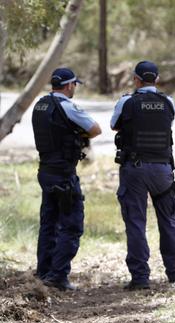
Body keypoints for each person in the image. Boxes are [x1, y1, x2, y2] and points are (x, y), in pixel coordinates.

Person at [110, 60, 175, 290]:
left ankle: (140, 278)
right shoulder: (168, 102)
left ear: (136, 79)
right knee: (168, 221)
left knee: (136, 222)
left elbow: (114, 126)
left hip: (135, 169)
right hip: (163, 169)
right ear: (157, 78)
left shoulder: (127, 102)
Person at [32, 67, 102, 291]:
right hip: (64, 174)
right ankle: (58, 275)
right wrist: (79, 135)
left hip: (45, 171)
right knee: (71, 225)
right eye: (74, 85)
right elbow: (95, 129)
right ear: (69, 85)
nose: (74, 88)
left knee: (48, 224)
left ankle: (44, 272)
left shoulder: (40, 105)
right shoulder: (67, 107)